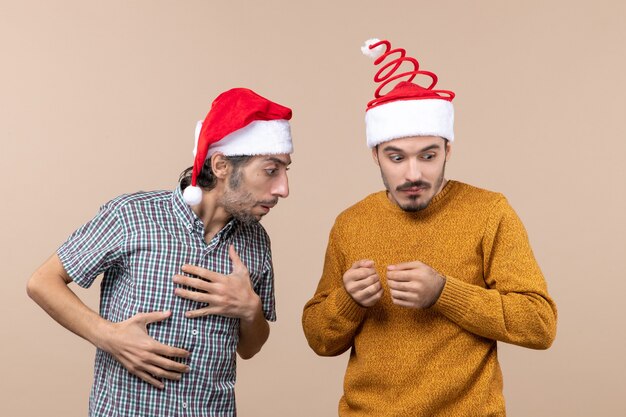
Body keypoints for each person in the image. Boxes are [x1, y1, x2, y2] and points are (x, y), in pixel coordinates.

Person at [302, 39, 557, 416]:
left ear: (447, 149)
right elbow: (320, 340)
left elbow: (539, 324)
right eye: (396, 157)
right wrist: (347, 300)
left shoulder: (489, 212)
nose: (413, 174)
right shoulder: (351, 223)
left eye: (428, 155)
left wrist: (444, 293)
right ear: (375, 154)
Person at [27, 87, 293, 417]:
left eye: (285, 171)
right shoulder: (131, 215)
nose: (283, 188)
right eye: (271, 170)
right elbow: (42, 281)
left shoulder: (256, 241)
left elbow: (250, 348)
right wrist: (109, 337)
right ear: (222, 165)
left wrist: (250, 309)